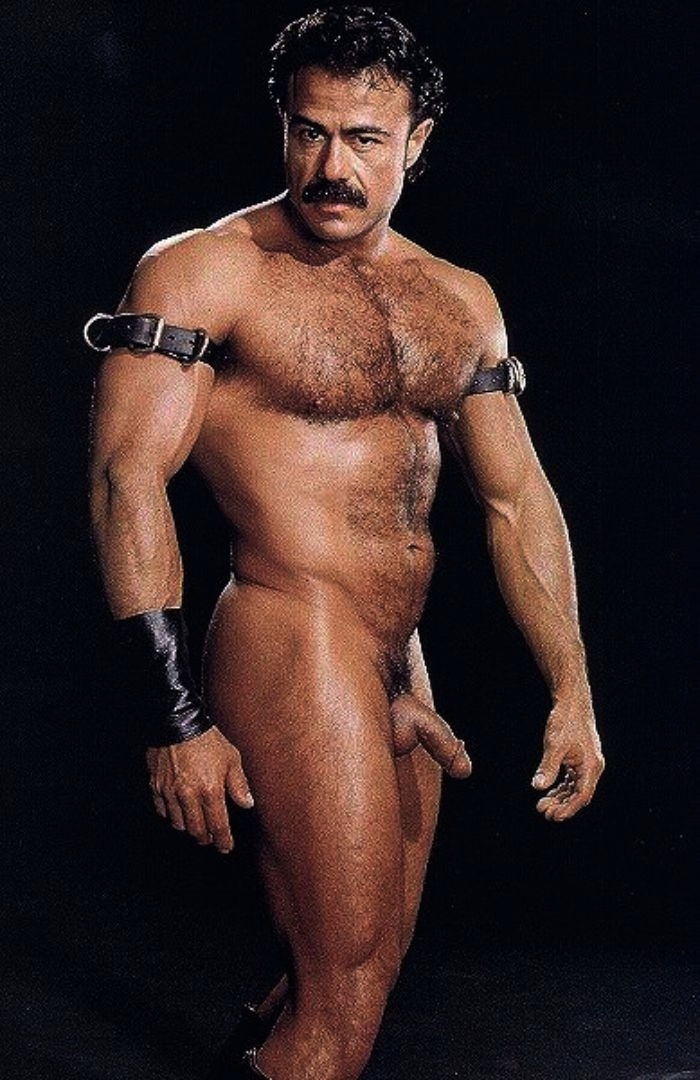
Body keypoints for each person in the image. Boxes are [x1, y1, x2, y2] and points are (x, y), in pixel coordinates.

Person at [86, 6, 605, 1078]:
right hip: (292, 630)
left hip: (395, 655)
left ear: (417, 141)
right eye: (308, 131)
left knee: (352, 972)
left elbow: (517, 501)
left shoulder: (458, 299)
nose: (332, 167)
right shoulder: (207, 271)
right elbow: (124, 477)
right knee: (344, 1002)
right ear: (282, 126)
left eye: (365, 138)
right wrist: (174, 716)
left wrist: (572, 687)